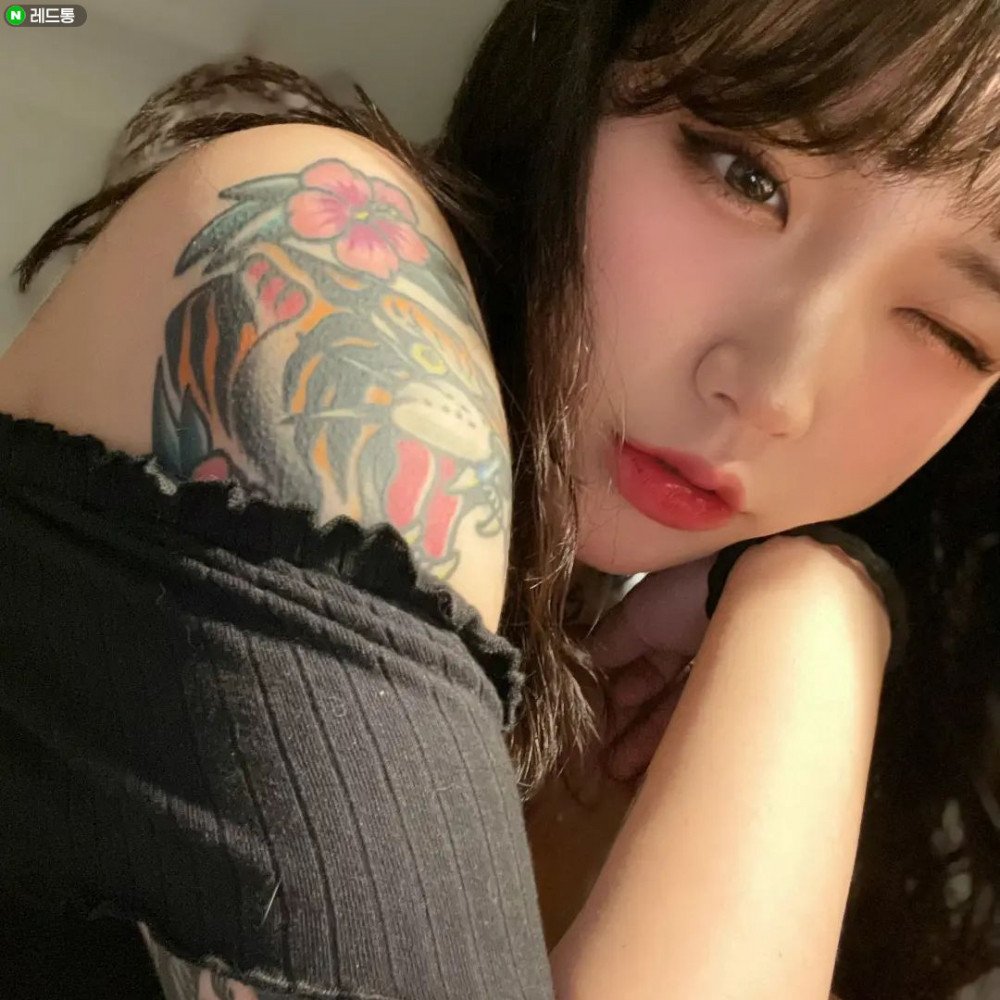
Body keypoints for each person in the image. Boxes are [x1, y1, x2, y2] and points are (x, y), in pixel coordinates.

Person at [0, 0, 997, 997]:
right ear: (580, 69)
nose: (776, 391)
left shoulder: (643, 665)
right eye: (745, 176)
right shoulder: (332, 273)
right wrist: (819, 610)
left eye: (948, 329)